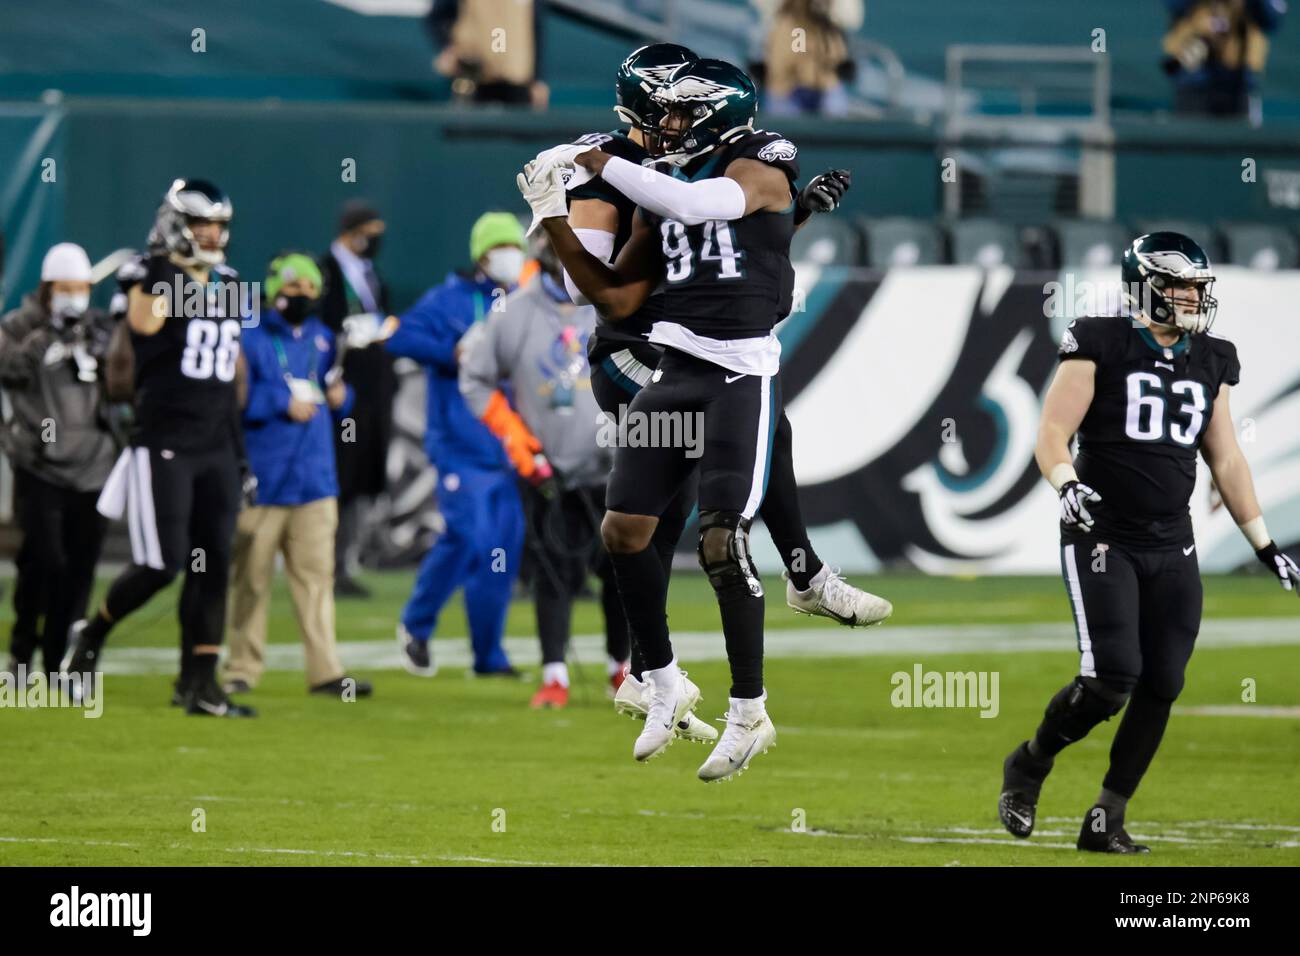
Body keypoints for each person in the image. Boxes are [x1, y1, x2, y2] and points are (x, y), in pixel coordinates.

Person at [524, 58, 843, 781]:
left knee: (718, 537)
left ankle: (755, 685)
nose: (666, 126)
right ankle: (659, 676)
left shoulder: (758, 155)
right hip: (655, 364)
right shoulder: (649, 188)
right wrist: (553, 214)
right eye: (659, 112)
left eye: (679, 113)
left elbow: (715, 211)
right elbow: (613, 297)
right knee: (629, 529)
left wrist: (603, 159)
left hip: (734, 368)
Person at [997, 232, 1300, 853]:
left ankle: (1108, 816)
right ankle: (1030, 763)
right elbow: (1052, 431)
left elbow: (1227, 458)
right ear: (1145, 286)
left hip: (1173, 543)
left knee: (1164, 681)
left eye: (1197, 288)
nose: (1191, 298)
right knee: (1113, 677)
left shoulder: (1212, 357)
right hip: (1103, 536)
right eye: (1179, 286)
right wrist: (1066, 484)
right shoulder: (1099, 338)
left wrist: (1266, 545)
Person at [62, 178, 254, 717]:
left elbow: (233, 368)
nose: (215, 236)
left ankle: (198, 683)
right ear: (177, 226)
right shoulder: (147, 273)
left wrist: (240, 455)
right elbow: (146, 322)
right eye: (203, 226)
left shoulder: (230, 282)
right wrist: (182, 273)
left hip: (216, 442)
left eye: (220, 226)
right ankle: (91, 634)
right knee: (161, 564)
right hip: (166, 441)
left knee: (213, 566)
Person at [459, 233, 634, 710]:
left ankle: (623, 668)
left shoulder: (615, 299)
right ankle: (554, 674)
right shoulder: (512, 312)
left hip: (613, 462)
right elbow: (474, 378)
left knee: (622, 570)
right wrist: (519, 443)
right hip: (548, 467)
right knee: (555, 571)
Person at [384, 212, 530, 679]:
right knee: (470, 537)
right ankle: (416, 622)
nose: (513, 256)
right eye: (503, 247)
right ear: (483, 254)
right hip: (459, 442)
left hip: (508, 447)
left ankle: (489, 657)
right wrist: (454, 350)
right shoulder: (447, 299)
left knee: (499, 550)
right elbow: (400, 336)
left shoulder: (523, 300)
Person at [223, 253, 373, 699]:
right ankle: (242, 669)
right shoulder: (247, 338)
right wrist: (277, 402)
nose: (300, 297)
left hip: (314, 479)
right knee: (249, 580)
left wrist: (344, 397)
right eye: (292, 289)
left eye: (308, 290)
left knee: (316, 580)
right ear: (273, 293)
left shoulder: (324, 338)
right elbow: (236, 398)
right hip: (265, 479)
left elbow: (336, 394)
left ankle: (326, 671)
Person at [0, 243, 117, 677]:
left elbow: (121, 378)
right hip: (40, 464)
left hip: (94, 465)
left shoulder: (97, 327)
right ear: (47, 289)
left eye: (81, 288)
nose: (75, 296)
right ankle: (22, 647)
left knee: (81, 567)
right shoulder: (17, 326)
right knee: (44, 560)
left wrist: (103, 344)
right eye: (65, 288)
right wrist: (46, 336)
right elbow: (9, 370)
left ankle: (58, 660)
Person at [318, 202, 395, 598]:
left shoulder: (371, 276)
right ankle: (324, 565)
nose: (375, 238)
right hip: (338, 396)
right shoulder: (324, 273)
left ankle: (343, 562)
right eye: (370, 230)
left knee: (363, 480)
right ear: (351, 231)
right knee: (339, 478)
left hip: (371, 396)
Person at [1163, 0, 1286, 120]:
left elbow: (1272, 19)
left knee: (1242, 138)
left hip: (1240, 83)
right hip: (1194, 81)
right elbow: (1174, 5)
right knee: (1191, 137)